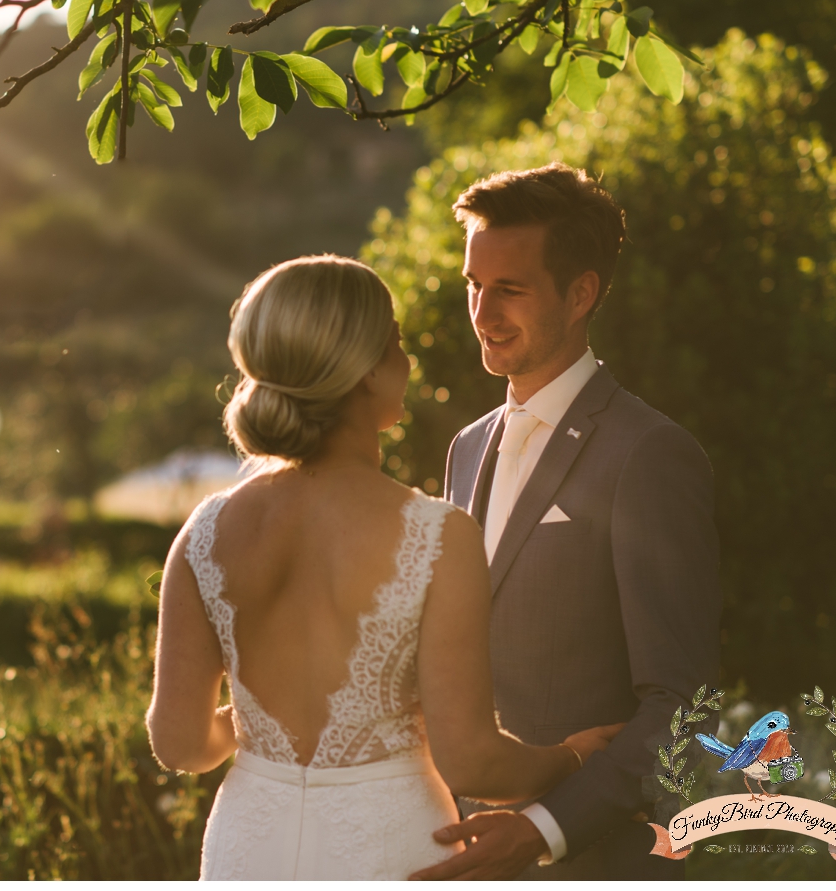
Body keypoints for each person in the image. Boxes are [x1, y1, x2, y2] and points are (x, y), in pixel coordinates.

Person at [147, 254, 623, 880]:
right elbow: (474, 765)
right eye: (396, 345)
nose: (407, 361)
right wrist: (572, 759)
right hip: (383, 844)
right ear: (366, 371)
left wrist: (259, 722)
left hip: (247, 845)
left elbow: (179, 745)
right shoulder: (434, 535)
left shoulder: (204, 532)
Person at [416, 164, 721, 879]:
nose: (482, 312)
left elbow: (682, 707)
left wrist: (543, 828)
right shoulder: (466, 446)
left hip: (592, 861)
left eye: (509, 290)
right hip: (460, 849)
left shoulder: (648, 453)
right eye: (473, 285)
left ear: (580, 292)